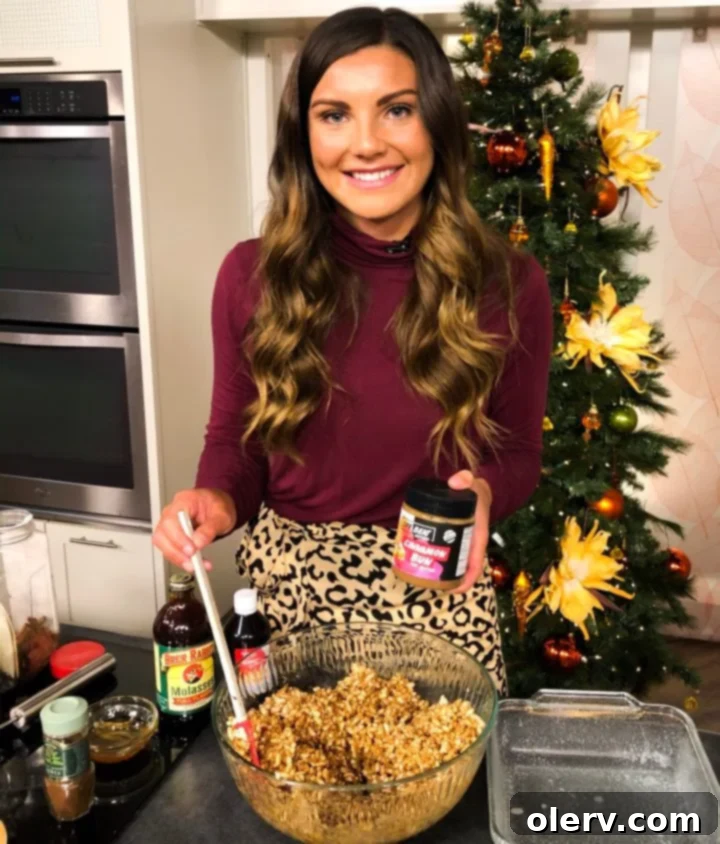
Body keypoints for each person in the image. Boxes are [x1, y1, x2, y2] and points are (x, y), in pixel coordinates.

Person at [152, 6, 553, 694]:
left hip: (436, 590)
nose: (364, 143)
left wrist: (484, 493)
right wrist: (214, 500)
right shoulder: (250, 277)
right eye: (334, 115)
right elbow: (236, 443)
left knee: (445, 797)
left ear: (438, 123)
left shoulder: (510, 285)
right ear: (304, 135)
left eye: (396, 110)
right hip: (287, 600)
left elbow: (517, 454)